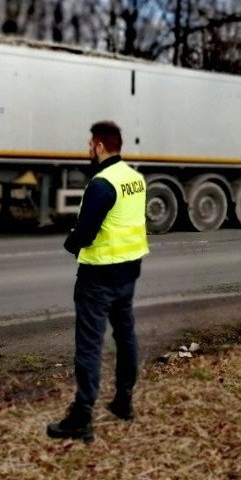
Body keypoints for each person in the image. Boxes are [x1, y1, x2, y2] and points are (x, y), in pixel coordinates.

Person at [46, 120, 149, 442]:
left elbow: (86, 231)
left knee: (89, 347)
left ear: (100, 146)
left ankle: (81, 417)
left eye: (90, 144)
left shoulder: (102, 183)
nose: (88, 149)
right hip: (128, 272)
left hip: (99, 276)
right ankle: (123, 401)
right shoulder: (135, 179)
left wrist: (70, 244)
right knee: (126, 337)